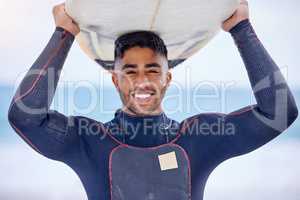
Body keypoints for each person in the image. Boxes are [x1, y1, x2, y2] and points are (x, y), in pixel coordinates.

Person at [7, 1, 298, 200]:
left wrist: (242, 29)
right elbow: (25, 116)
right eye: (130, 71)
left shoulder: (198, 138)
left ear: (167, 78)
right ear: (115, 80)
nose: (143, 80)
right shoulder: (88, 141)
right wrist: (64, 34)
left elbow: (279, 111)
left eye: (153, 69)